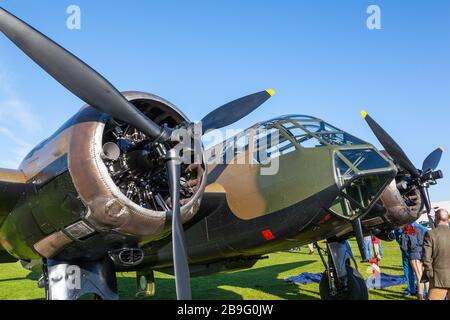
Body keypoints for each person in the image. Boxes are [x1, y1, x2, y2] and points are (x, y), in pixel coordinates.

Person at [422, 208, 450, 300]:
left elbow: (426, 258)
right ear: (448, 219)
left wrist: (430, 275)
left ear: (436, 220)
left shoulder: (430, 234)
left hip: (437, 279)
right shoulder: (431, 234)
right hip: (437, 278)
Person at [401, 223, 429, 300]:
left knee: (419, 277)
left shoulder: (405, 233)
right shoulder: (420, 229)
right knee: (425, 276)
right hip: (423, 254)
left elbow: (404, 248)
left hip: (414, 255)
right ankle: (428, 296)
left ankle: (420, 297)